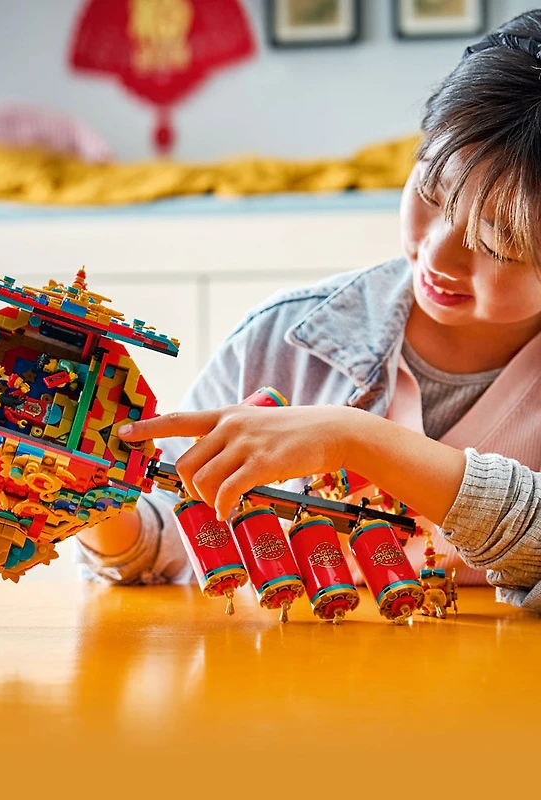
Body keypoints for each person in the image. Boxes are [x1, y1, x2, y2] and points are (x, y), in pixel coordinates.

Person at [75, 10, 541, 612]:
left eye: (498, 242)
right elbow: (162, 536)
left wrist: (356, 439)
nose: (437, 253)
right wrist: (88, 500)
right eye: (429, 193)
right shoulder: (284, 340)